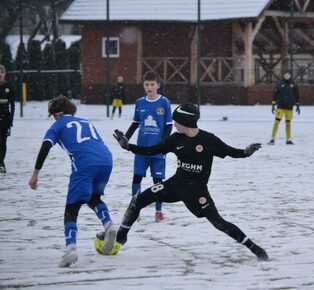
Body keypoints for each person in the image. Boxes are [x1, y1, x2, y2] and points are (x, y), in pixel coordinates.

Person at [111, 103, 269, 260]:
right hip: (174, 186)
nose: (174, 125)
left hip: (197, 192)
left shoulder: (208, 140)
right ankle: (121, 236)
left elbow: (231, 151)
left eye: (176, 121)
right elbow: (153, 150)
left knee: (218, 222)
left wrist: (246, 152)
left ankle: (254, 248)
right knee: (137, 200)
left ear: (186, 122)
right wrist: (128, 146)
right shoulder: (176, 139)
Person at [28, 96, 117, 267]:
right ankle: (109, 225)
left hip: (85, 163)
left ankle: (70, 249)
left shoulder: (57, 125)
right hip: (106, 160)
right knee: (92, 197)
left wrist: (35, 174)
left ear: (55, 115)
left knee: (72, 206)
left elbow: (45, 147)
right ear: (73, 112)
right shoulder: (85, 121)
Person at [124, 71, 172, 222]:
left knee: (158, 183)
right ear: (143, 85)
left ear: (158, 85)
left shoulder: (165, 102)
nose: (150, 87)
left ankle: (158, 212)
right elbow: (136, 123)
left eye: (152, 84)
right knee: (136, 179)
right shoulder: (140, 102)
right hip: (141, 150)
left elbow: (168, 126)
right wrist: (125, 138)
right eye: (147, 84)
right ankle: (135, 209)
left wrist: (163, 143)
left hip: (158, 151)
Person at [268, 71, 300, 145]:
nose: (287, 76)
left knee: (288, 123)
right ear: (283, 76)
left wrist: (297, 105)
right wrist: (273, 104)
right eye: (285, 75)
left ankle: (288, 139)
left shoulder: (293, 84)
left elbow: (297, 95)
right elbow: (275, 94)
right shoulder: (279, 84)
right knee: (277, 122)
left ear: (290, 76)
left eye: (288, 75)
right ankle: (272, 139)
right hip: (280, 106)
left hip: (289, 107)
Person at [0, 64, 15, 173]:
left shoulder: (9, 86)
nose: (0, 74)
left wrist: (11, 121)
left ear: (4, 74)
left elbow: (12, 105)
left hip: (4, 118)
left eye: (1, 72)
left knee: (2, 142)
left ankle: (1, 163)